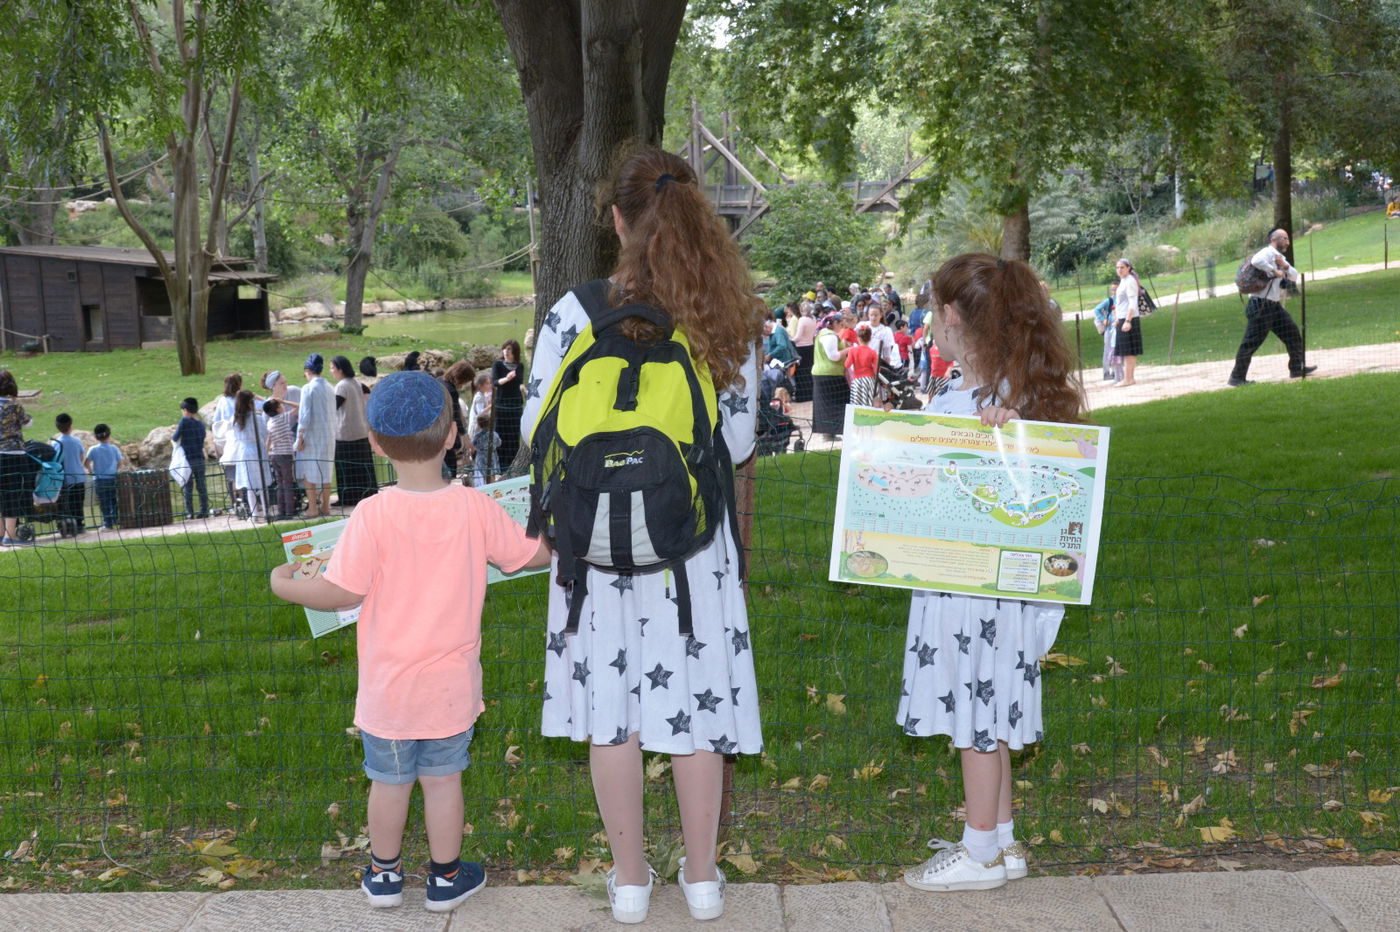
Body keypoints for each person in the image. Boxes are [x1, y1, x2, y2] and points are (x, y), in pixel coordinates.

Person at [522, 148, 765, 924]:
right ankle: (700, 880)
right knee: (696, 714)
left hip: (593, 553)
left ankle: (630, 882)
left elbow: (536, 427)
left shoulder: (574, 311)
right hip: (691, 554)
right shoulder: (726, 315)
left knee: (611, 714)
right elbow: (737, 441)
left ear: (619, 220)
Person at [270, 370, 551, 915]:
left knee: (389, 783)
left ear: (375, 443)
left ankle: (383, 874)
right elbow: (529, 556)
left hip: (387, 691)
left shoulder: (372, 514)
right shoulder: (473, 506)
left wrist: (286, 584)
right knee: (444, 781)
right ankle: (446, 880)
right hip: (449, 688)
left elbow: (339, 592)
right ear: (451, 436)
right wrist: (557, 534)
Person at [899, 253, 1084, 893]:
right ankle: (1002, 841)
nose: (928, 319)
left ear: (951, 316)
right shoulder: (993, 389)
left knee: (976, 720)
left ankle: (978, 853)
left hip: (975, 595)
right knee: (991, 709)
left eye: (931, 307)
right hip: (977, 589)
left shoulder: (998, 402)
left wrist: (1009, 435)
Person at [1228, 228, 1316, 386]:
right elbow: (1256, 261)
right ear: (1274, 240)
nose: (1288, 242)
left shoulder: (1279, 257)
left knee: (1292, 333)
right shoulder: (1267, 253)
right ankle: (1236, 378)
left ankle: (1296, 368)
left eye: (1288, 239)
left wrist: (1284, 266)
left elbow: (1294, 276)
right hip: (1260, 306)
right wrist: (1274, 270)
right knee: (1251, 343)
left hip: (1273, 307)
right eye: (1285, 239)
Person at [330, 355, 378, 507]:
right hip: (361, 431)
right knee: (362, 466)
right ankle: (367, 493)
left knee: (346, 467)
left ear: (340, 369)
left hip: (346, 433)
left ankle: (348, 497)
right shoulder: (356, 383)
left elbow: (333, 408)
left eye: (332, 368)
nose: (331, 371)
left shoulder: (342, 386)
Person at [297, 354, 336, 519]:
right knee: (326, 472)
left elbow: (304, 415)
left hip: (313, 436)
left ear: (307, 370)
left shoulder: (308, 388)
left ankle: (312, 508)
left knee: (309, 472)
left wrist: (300, 437)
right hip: (329, 435)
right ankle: (326, 507)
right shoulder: (329, 387)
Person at [0, 370, 36, 545]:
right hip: (13, 454)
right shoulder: (13, 405)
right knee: (12, 494)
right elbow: (28, 422)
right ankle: (10, 536)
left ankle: (0, 534)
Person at [229, 390, 270, 519]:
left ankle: (254, 514)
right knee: (262, 483)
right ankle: (267, 512)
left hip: (244, 451)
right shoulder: (257, 418)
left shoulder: (235, 420)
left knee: (250, 484)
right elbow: (264, 434)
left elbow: (236, 436)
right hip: (258, 450)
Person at [811, 312, 849, 441]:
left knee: (825, 405)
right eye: (841, 324)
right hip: (830, 375)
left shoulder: (821, 334)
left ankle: (828, 433)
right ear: (835, 323)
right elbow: (833, 356)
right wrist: (849, 350)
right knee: (840, 403)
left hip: (822, 374)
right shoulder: (830, 336)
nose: (842, 327)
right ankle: (834, 431)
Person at [171, 398, 210, 519]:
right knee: (201, 486)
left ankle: (190, 512)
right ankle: (204, 510)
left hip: (187, 460)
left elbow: (175, 437)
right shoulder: (200, 425)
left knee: (188, 487)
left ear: (185, 410)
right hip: (199, 458)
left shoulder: (184, 421)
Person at [491, 340, 525, 470]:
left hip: (515, 404)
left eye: (509, 349)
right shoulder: (498, 365)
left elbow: (520, 383)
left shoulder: (519, 366)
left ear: (515, 352)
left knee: (514, 434)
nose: (506, 351)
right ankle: (500, 466)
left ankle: (513, 464)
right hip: (501, 405)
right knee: (500, 434)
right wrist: (507, 378)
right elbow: (495, 382)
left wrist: (525, 390)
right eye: (504, 349)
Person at [84, 423, 124, 530]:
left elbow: (86, 462)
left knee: (104, 501)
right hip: (112, 478)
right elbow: (120, 463)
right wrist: (115, 470)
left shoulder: (93, 449)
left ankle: (107, 523)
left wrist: (90, 471)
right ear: (109, 435)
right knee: (113, 500)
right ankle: (115, 519)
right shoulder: (114, 448)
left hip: (100, 480)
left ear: (96, 437)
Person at [1110, 258, 1142, 386]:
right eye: (1117, 267)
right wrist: (1117, 319)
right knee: (1125, 350)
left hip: (1129, 319)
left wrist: (1128, 321)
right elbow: (1119, 303)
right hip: (1122, 319)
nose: (1119, 270)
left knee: (1129, 351)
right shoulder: (1123, 281)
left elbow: (1132, 302)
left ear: (1128, 268)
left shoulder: (1130, 282)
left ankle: (1128, 379)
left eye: (1122, 267)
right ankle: (1129, 378)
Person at [54, 414, 88, 532]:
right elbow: (81, 456)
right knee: (78, 502)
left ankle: (68, 525)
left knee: (67, 503)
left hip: (64, 480)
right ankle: (80, 524)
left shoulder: (56, 443)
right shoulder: (77, 441)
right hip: (78, 476)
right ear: (71, 425)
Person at [442, 361, 476, 481]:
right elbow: (455, 416)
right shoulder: (451, 391)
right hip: (443, 432)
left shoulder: (439, 381)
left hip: (432, 432)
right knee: (450, 468)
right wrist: (465, 438)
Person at [212, 374, 242, 510]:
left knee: (231, 475)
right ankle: (245, 501)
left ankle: (235, 503)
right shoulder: (240, 399)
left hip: (228, 441)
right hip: (238, 439)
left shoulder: (223, 401)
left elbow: (216, 423)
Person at [264, 399, 296, 518]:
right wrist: (285, 400)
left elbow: (269, 439)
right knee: (288, 483)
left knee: (280, 483)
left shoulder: (270, 422)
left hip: (274, 454)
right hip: (285, 454)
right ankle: (290, 511)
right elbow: (299, 407)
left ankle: (280, 511)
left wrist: (267, 453)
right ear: (277, 409)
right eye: (280, 405)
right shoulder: (282, 418)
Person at [846, 322, 879, 406]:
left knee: (857, 403)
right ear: (870, 338)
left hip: (857, 380)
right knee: (869, 402)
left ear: (858, 338)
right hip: (869, 380)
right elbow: (876, 370)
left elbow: (847, 365)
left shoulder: (852, 351)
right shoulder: (873, 352)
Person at [1091, 285, 1116, 381]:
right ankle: (1106, 372)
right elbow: (1097, 309)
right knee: (1108, 350)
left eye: (1116, 289)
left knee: (1116, 350)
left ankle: (1115, 371)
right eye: (1113, 290)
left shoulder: (1122, 299)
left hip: (1118, 329)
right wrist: (1103, 319)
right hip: (1109, 329)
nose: (1114, 291)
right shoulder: (1109, 301)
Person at [470, 414, 499, 487]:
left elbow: (473, 444)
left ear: (479, 425)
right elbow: (499, 443)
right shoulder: (494, 434)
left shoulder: (478, 436)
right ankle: (492, 487)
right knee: (492, 474)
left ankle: (485, 487)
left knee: (483, 474)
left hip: (481, 458)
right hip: (492, 456)